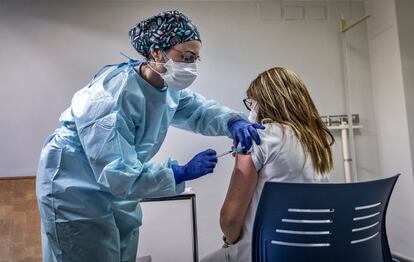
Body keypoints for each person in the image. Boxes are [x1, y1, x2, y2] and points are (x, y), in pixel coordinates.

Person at [36, 10, 264, 262]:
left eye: (195, 59)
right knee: (85, 251)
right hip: (74, 184)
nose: (190, 66)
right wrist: (179, 173)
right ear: (156, 52)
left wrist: (232, 122)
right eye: (185, 56)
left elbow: (199, 111)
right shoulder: (110, 98)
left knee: (124, 245)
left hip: (117, 187)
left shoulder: (164, 88)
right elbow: (115, 172)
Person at [201, 67, 335, 262]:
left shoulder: (256, 138)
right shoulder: (318, 142)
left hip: (266, 254)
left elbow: (229, 220)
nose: (251, 110)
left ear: (265, 102)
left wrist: (229, 241)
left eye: (252, 102)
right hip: (316, 251)